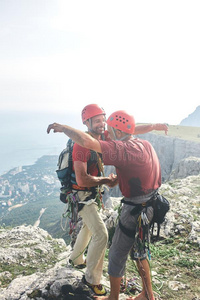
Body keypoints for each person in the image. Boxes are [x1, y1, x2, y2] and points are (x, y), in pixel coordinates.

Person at [47, 108, 167, 300]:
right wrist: (154, 126)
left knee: (111, 247)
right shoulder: (142, 144)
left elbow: (122, 133)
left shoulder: (116, 143)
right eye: (97, 121)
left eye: (105, 122)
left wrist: (63, 128)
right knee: (116, 240)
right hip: (92, 196)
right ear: (86, 123)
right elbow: (82, 177)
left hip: (132, 206)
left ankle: (107, 290)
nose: (103, 126)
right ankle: (95, 279)